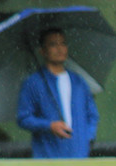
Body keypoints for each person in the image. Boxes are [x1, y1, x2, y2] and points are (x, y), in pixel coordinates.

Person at [17, 27, 99, 159]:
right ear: (42, 51)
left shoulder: (78, 82)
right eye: (53, 44)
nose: (60, 49)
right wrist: (49, 126)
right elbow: (24, 118)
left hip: (79, 155)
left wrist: (87, 137)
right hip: (47, 156)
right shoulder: (33, 83)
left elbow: (92, 115)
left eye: (63, 43)